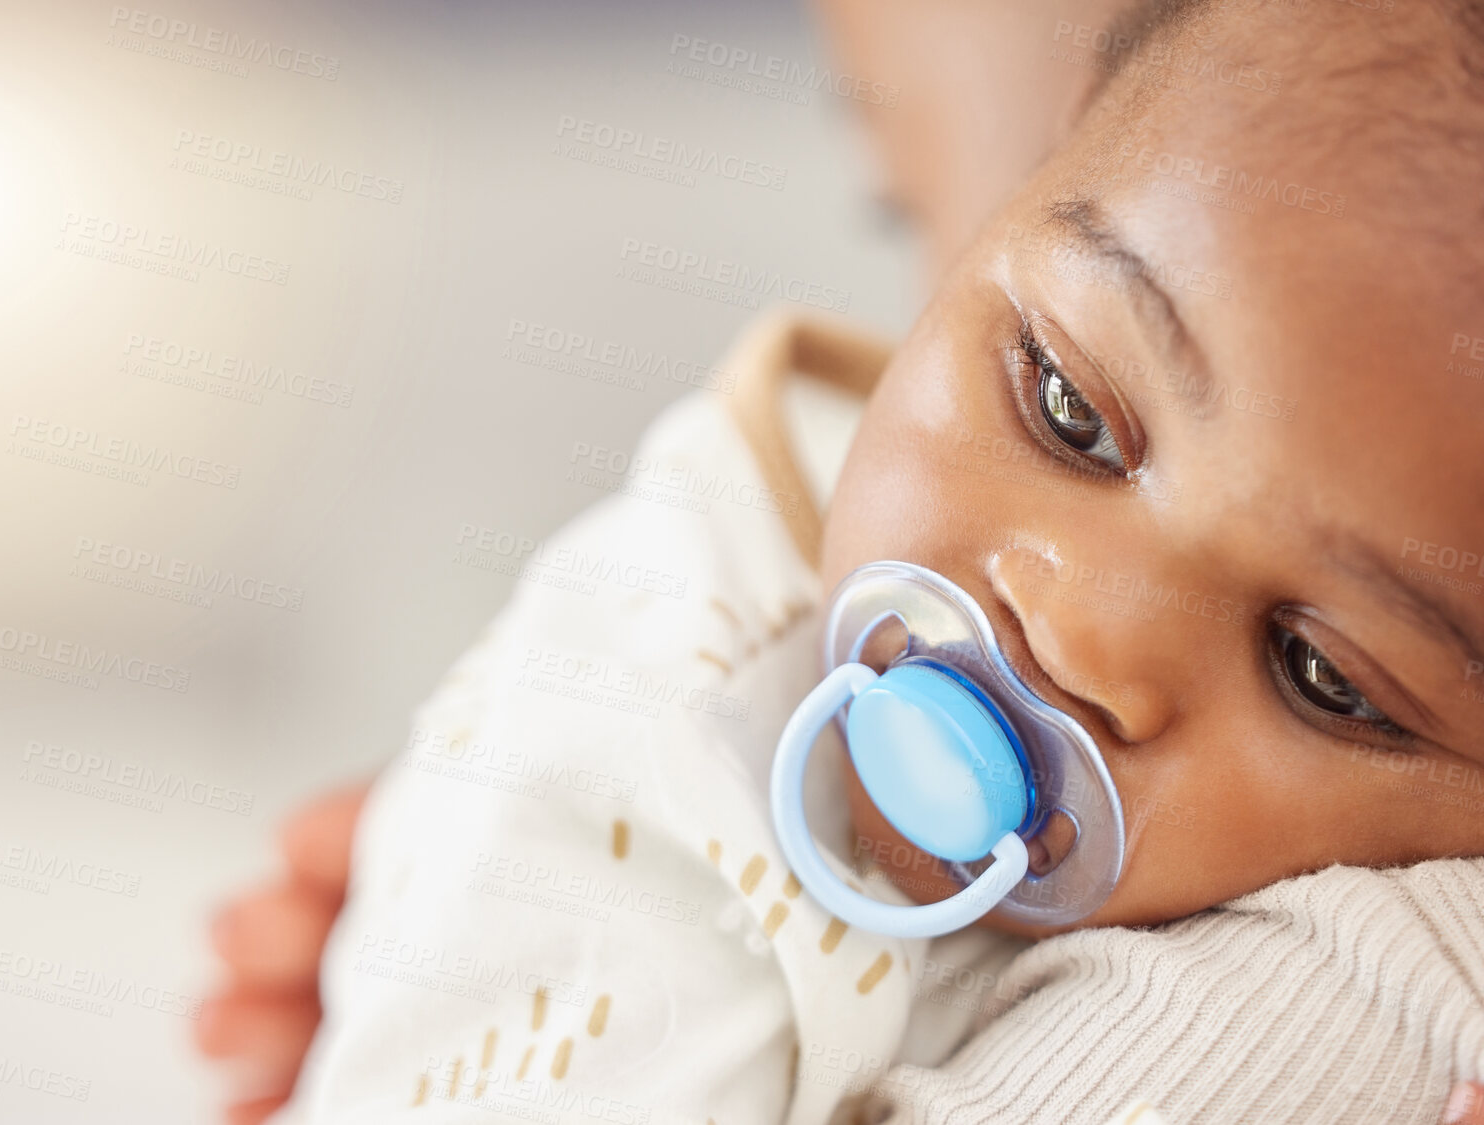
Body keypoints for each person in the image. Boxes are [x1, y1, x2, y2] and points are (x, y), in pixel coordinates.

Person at [199, 0, 1484, 1120]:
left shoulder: (1367, 998)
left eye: (1321, 673)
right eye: (1068, 409)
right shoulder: (684, 639)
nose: (1077, 634)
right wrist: (508, 939)